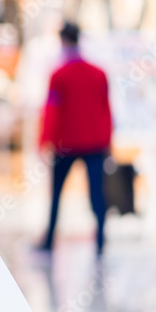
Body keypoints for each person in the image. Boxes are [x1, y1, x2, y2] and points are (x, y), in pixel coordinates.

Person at [37, 21, 112, 256]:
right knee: (97, 193)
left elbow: (52, 111)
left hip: (65, 143)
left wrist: (45, 141)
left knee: (57, 193)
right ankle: (101, 239)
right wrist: (109, 139)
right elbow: (106, 109)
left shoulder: (59, 74)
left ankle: (49, 240)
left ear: (63, 41)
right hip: (95, 142)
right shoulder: (98, 73)